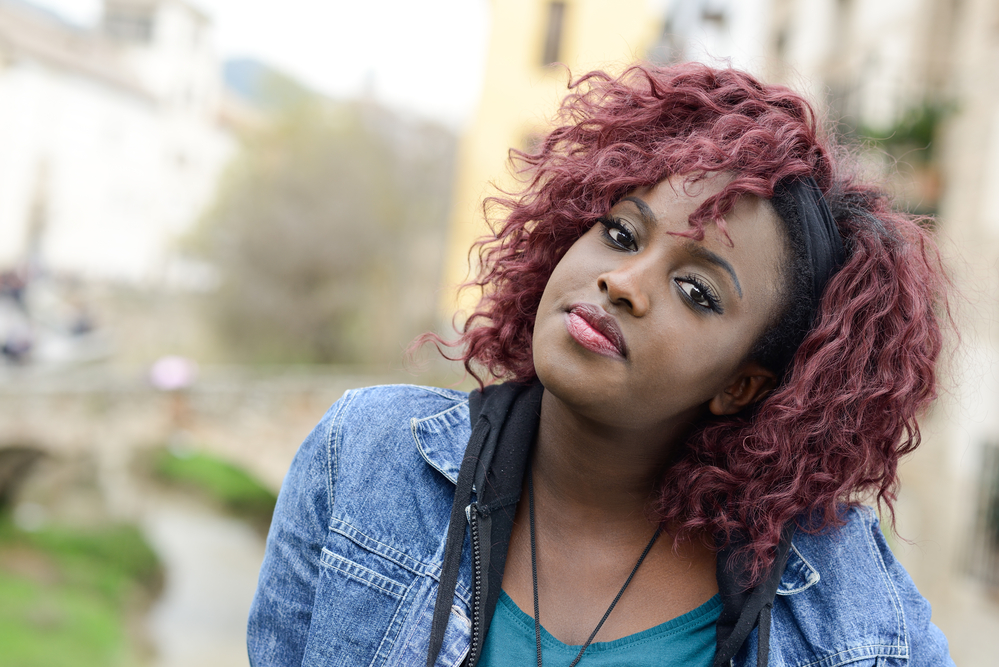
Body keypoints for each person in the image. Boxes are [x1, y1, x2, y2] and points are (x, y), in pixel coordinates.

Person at [247, 63, 954, 667]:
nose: (622, 281)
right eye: (619, 232)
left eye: (696, 291)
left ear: (742, 384)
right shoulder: (368, 459)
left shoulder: (843, 600)